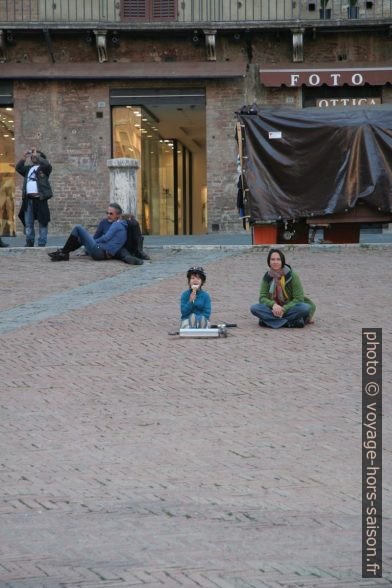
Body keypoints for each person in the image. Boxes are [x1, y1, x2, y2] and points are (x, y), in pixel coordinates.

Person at [250, 248, 315, 328]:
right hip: (273, 309)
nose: (275, 262)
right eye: (272, 259)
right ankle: (289, 323)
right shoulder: (267, 277)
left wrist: (283, 309)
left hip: (289, 308)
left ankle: (268, 321)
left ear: (282, 261)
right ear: (269, 262)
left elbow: (299, 298)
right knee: (254, 308)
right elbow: (262, 298)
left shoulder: (292, 276)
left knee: (305, 308)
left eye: (278, 259)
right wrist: (273, 305)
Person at [48, 202, 128, 262]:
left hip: (100, 251)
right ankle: (64, 253)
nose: (108, 215)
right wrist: (86, 251)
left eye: (111, 214)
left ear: (118, 215)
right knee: (80, 237)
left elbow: (106, 239)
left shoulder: (117, 225)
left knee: (78, 227)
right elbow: (96, 237)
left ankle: (63, 252)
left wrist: (93, 242)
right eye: (107, 213)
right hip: (98, 249)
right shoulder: (104, 222)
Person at [16, 148, 53, 247]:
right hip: (28, 200)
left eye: (36, 155)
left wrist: (37, 154)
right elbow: (19, 168)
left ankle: (42, 242)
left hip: (40, 199)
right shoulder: (28, 169)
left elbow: (47, 164)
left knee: (43, 221)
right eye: (32, 156)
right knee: (28, 222)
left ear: (41, 157)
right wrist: (24, 157)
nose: (34, 156)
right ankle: (29, 241)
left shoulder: (45, 168)